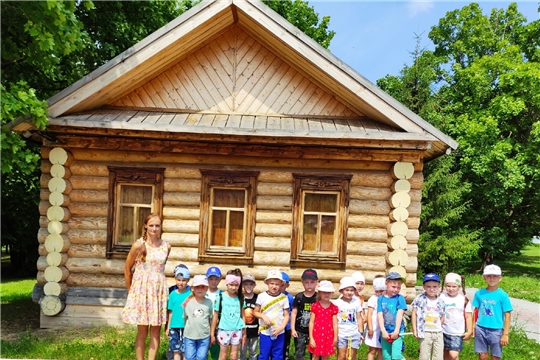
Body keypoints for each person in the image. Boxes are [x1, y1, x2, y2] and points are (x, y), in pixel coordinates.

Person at [122, 213, 171, 360]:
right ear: (145, 226)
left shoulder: (166, 246)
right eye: (151, 225)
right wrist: (131, 292)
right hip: (141, 292)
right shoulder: (138, 245)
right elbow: (127, 270)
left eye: (157, 225)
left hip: (158, 292)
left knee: (156, 331)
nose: (154, 228)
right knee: (142, 331)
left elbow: (159, 270)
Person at [472, 265, 513, 360]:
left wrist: (505, 334)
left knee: (495, 356)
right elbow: (476, 311)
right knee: (482, 355)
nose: (492, 278)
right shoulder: (479, 293)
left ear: (500, 278)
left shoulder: (503, 295)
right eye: (489, 276)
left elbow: (507, 315)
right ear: (484, 278)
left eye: (495, 276)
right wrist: (473, 326)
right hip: (480, 328)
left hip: (496, 330)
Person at [254, 269, 290, 360]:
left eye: (277, 284)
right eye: (272, 283)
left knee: (278, 355)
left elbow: (286, 315)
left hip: (279, 333)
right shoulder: (261, 296)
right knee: (264, 355)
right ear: (267, 283)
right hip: (265, 332)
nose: (274, 286)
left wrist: (281, 327)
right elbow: (255, 312)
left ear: (281, 284)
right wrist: (263, 316)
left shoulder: (284, 298)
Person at [212, 269, 245, 360]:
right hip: (224, 330)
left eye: (236, 285)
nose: (233, 287)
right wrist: (212, 334)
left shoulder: (241, 298)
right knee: (223, 356)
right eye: (231, 284)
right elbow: (215, 316)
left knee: (234, 356)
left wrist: (244, 332)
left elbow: (243, 316)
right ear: (226, 283)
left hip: (237, 330)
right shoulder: (220, 297)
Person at [412, 273, 446, 360]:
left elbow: (442, 316)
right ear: (424, 287)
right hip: (425, 333)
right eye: (428, 286)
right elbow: (414, 313)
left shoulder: (441, 301)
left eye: (434, 287)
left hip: (438, 333)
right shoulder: (419, 298)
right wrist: (415, 329)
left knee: (438, 356)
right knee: (424, 356)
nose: (431, 289)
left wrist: (439, 326)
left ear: (439, 287)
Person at [441, 273, 472, 360]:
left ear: (459, 287)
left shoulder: (463, 300)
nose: (451, 289)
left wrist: (469, 331)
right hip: (442, 330)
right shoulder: (441, 297)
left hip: (457, 333)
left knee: (453, 355)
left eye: (454, 286)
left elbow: (469, 316)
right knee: (445, 354)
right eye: (448, 286)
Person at [377, 272, 407, 360]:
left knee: (396, 356)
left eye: (398, 287)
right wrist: (383, 331)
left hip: (397, 331)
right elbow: (380, 315)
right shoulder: (381, 299)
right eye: (393, 287)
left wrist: (396, 330)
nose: (396, 289)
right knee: (386, 356)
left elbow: (400, 314)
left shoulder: (400, 298)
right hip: (385, 332)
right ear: (386, 284)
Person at [184, 275, 214, 360]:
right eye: (197, 287)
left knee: (201, 357)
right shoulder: (187, 302)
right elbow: (185, 318)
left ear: (206, 288)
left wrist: (211, 334)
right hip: (189, 336)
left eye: (202, 287)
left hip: (204, 336)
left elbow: (211, 319)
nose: (200, 289)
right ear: (192, 288)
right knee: (189, 357)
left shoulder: (209, 303)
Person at [291, 268, 318, 360]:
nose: (309, 285)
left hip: (314, 331)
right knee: (299, 352)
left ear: (316, 282)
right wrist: (293, 329)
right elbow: (294, 313)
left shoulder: (318, 298)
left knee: (314, 352)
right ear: (302, 282)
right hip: (300, 330)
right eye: (306, 282)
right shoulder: (299, 297)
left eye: (312, 282)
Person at [334, 277, 364, 360]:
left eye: (351, 290)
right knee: (342, 356)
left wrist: (361, 333)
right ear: (341, 291)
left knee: (351, 356)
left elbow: (359, 318)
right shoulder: (337, 303)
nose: (349, 292)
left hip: (354, 333)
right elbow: (335, 320)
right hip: (342, 334)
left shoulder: (356, 302)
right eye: (347, 290)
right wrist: (335, 334)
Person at [166, 265, 192, 360]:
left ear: (188, 280)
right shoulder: (172, 294)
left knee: (185, 350)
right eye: (179, 280)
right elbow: (170, 312)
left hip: (187, 326)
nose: (181, 283)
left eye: (184, 280)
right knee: (176, 350)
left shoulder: (190, 295)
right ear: (175, 279)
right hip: (174, 326)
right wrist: (168, 327)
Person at [308, 280, 338, 360]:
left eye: (329, 292)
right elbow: (311, 322)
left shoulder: (333, 308)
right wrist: (311, 338)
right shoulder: (315, 306)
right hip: (317, 335)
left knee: (325, 356)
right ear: (319, 293)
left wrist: (335, 337)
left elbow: (335, 324)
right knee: (315, 356)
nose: (326, 294)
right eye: (324, 292)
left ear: (332, 293)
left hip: (328, 336)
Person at [366, 276, 386, 360]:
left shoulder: (388, 298)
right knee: (372, 350)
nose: (378, 293)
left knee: (382, 350)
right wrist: (370, 328)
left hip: (384, 328)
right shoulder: (373, 299)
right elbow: (369, 314)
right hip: (374, 328)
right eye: (376, 291)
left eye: (381, 291)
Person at [240, 273, 259, 360]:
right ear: (243, 285)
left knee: (253, 351)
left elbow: (260, 312)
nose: (248, 286)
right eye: (246, 284)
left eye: (251, 284)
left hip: (254, 329)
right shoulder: (240, 298)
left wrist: (260, 327)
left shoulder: (258, 298)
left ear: (254, 285)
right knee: (242, 352)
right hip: (242, 330)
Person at [206, 266, 223, 360]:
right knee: (203, 348)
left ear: (220, 279)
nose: (213, 281)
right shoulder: (202, 292)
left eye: (216, 279)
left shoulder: (222, 294)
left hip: (217, 324)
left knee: (215, 349)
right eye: (211, 279)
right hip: (204, 323)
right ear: (207, 279)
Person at [281, 271, 294, 360]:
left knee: (285, 346)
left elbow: (292, 311)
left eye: (282, 285)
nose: (279, 287)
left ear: (287, 285)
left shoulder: (289, 297)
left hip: (286, 327)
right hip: (274, 326)